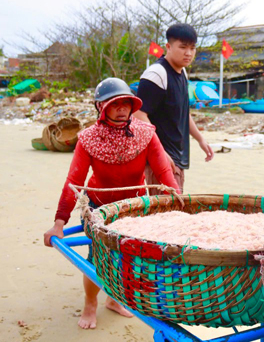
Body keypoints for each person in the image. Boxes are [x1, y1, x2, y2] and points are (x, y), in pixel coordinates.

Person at [43, 77, 179, 329]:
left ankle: (115, 299)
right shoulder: (87, 139)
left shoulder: (146, 134)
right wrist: (59, 223)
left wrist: (180, 207)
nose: (121, 109)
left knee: (130, 257)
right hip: (98, 206)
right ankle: (90, 303)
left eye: (126, 103)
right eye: (114, 104)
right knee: (98, 257)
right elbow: (74, 182)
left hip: (134, 208)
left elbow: (165, 174)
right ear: (100, 107)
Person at [134, 23, 214, 193]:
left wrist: (200, 139)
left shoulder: (182, 73)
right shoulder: (157, 74)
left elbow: (184, 113)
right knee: (166, 212)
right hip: (160, 159)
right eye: (183, 47)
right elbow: (139, 114)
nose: (189, 53)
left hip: (177, 155)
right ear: (168, 47)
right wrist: (160, 152)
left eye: (193, 48)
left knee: (174, 208)